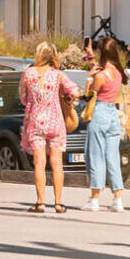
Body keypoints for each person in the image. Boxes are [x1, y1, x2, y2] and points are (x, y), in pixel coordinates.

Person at [19, 42, 80, 213]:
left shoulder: (28, 73)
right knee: (57, 163)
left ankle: (40, 202)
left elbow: (23, 98)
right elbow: (75, 92)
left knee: (39, 163)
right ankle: (59, 202)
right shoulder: (58, 75)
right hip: (55, 122)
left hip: (36, 121)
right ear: (53, 55)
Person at [83, 39, 128, 212]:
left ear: (102, 52)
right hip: (113, 115)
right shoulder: (117, 72)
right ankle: (118, 199)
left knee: (96, 155)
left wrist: (89, 77)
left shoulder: (100, 76)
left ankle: (94, 199)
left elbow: (89, 93)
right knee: (112, 157)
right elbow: (99, 64)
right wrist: (89, 55)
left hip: (100, 112)